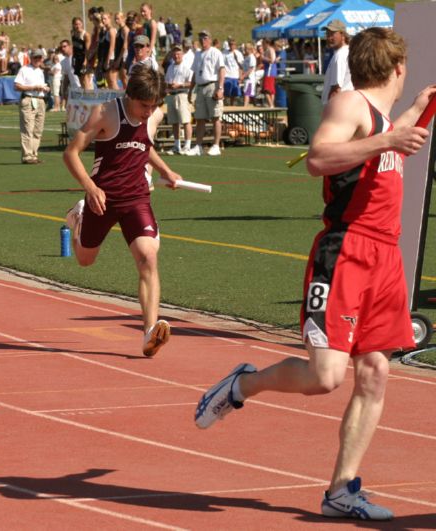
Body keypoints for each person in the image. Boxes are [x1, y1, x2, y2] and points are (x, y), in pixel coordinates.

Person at [195, 27, 436, 521]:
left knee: (375, 372)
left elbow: (383, 148)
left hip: (385, 256)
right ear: (397, 68)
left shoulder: (385, 117)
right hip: (346, 251)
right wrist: (390, 136)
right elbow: (318, 158)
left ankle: (341, 490)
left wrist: (412, 113)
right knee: (326, 377)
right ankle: (244, 385)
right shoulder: (351, 105)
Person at [63, 65, 182, 358]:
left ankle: (149, 332)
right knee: (85, 260)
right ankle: (76, 218)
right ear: (129, 95)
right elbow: (71, 153)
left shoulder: (152, 114)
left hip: (136, 199)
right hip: (102, 199)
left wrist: (166, 171)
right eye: (144, 105)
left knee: (148, 257)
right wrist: (90, 189)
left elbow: (144, 145)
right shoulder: (105, 113)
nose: (148, 111)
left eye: (153, 106)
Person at [188, 29, 225, 156]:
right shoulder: (198, 54)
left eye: (205, 37)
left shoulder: (216, 52)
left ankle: (216, 145)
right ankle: (198, 145)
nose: (202, 40)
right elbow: (194, 73)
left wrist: (220, 88)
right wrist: (190, 90)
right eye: (201, 38)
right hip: (200, 87)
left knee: (215, 116)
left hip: (212, 85)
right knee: (200, 118)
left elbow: (221, 70)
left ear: (210, 39)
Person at [14, 49, 50, 164]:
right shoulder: (24, 69)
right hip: (29, 99)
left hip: (40, 100)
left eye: (40, 57)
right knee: (28, 128)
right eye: (36, 57)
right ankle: (27, 155)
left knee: (38, 130)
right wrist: (33, 88)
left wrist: (45, 89)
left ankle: (34, 154)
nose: (38, 60)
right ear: (31, 58)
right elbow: (17, 86)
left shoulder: (40, 71)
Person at [164, 44, 193, 154]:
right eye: (174, 53)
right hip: (171, 95)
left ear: (182, 54)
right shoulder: (170, 67)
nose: (176, 55)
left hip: (182, 95)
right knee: (174, 122)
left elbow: (191, 83)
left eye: (178, 53)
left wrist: (179, 85)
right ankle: (177, 145)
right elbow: (166, 81)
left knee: (185, 120)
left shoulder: (187, 66)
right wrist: (169, 86)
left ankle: (187, 145)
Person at [322, 19, 352, 105]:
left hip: (338, 106)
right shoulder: (348, 51)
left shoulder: (340, 55)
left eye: (332, 34)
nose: (329, 38)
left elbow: (336, 89)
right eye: (327, 34)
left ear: (343, 35)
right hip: (346, 105)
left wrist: (329, 111)